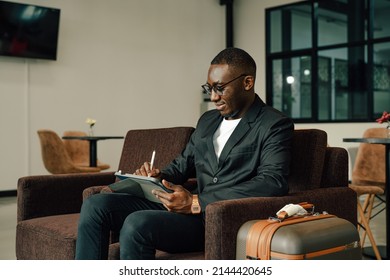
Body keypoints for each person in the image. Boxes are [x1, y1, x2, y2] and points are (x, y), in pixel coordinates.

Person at [75, 47, 294, 260]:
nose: (214, 97)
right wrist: (157, 177)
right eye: (209, 89)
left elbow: (272, 182)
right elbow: (182, 165)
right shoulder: (207, 121)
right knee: (96, 205)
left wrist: (197, 201)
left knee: (137, 223)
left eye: (220, 88)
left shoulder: (273, 124)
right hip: (185, 207)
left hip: (216, 218)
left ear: (248, 82)